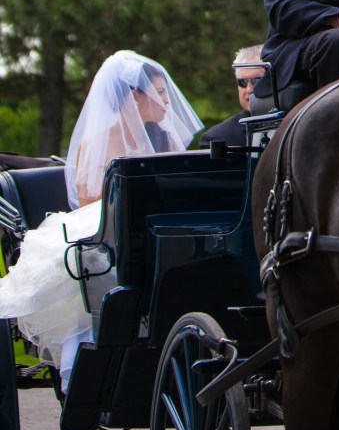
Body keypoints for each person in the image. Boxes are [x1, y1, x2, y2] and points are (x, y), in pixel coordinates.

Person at [0, 50, 201, 389]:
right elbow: (90, 197)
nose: (167, 101)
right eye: (160, 93)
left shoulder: (165, 138)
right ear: (135, 97)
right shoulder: (97, 141)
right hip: (109, 224)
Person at [198, 45, 266, 148]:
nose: (248, 89)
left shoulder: (294, 123)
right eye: (242, 82)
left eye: (256, 81)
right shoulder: (218, 139)